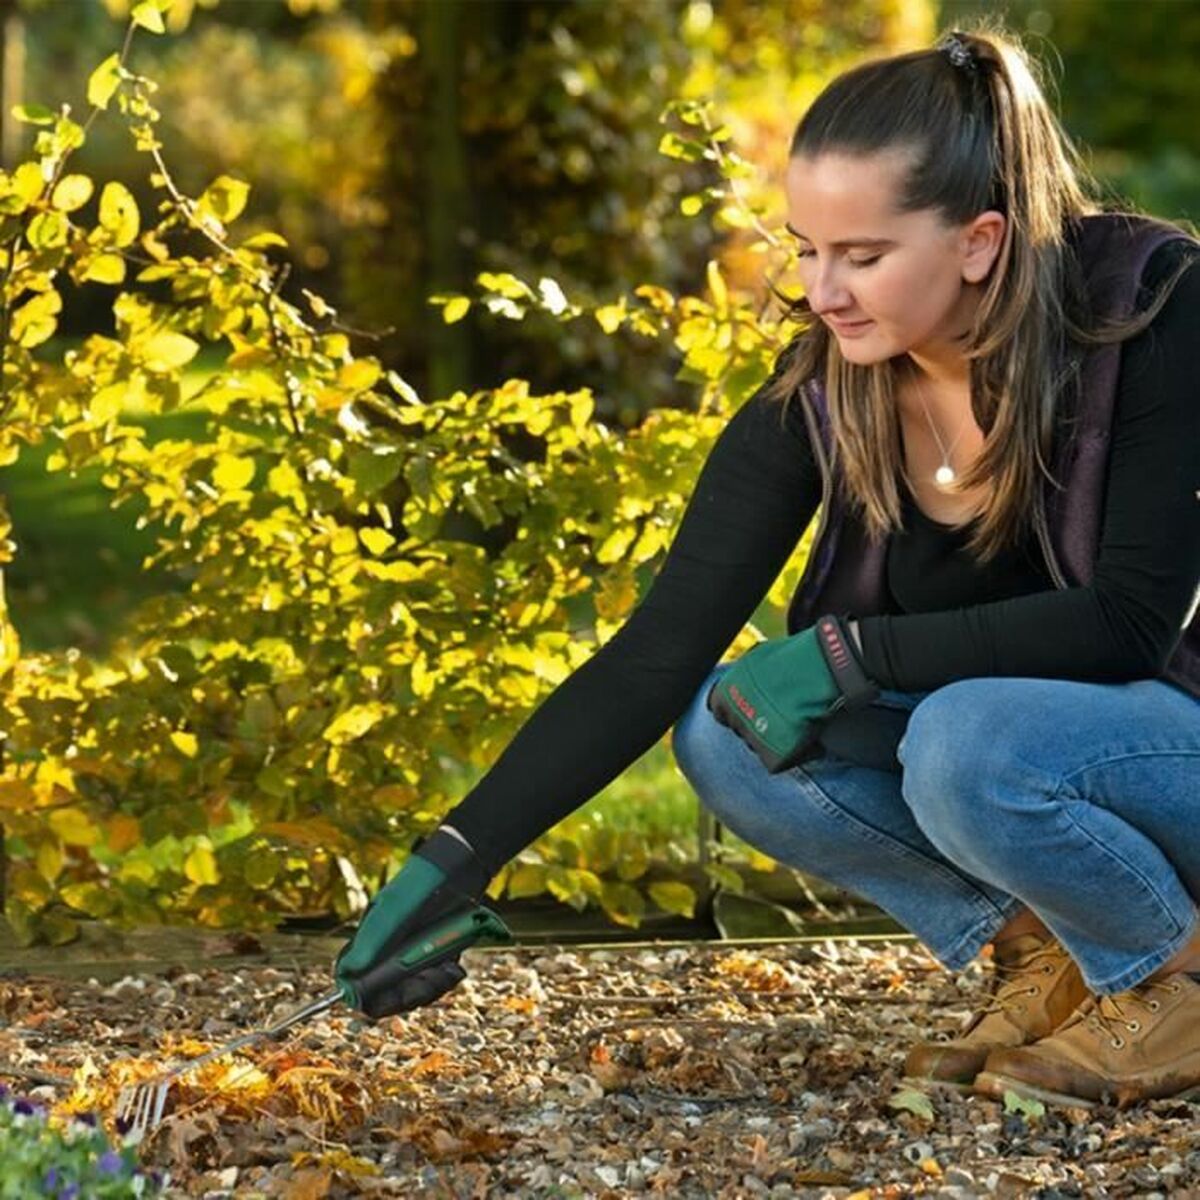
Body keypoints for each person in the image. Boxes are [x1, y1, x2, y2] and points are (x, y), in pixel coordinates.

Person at [335, 28, 1200, 1111]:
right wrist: (454, 858)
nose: (823, 291)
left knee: (960, 735)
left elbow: (1128, 623)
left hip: (1171, 745)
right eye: (807, 248)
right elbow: (656, 655)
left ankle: (1173, 976)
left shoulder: (1145, 316)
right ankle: (1055, 957)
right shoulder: (832, 394)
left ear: (979, 242)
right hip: (1037, 778)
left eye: (864, 256)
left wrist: (855, 653)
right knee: (726, 726)